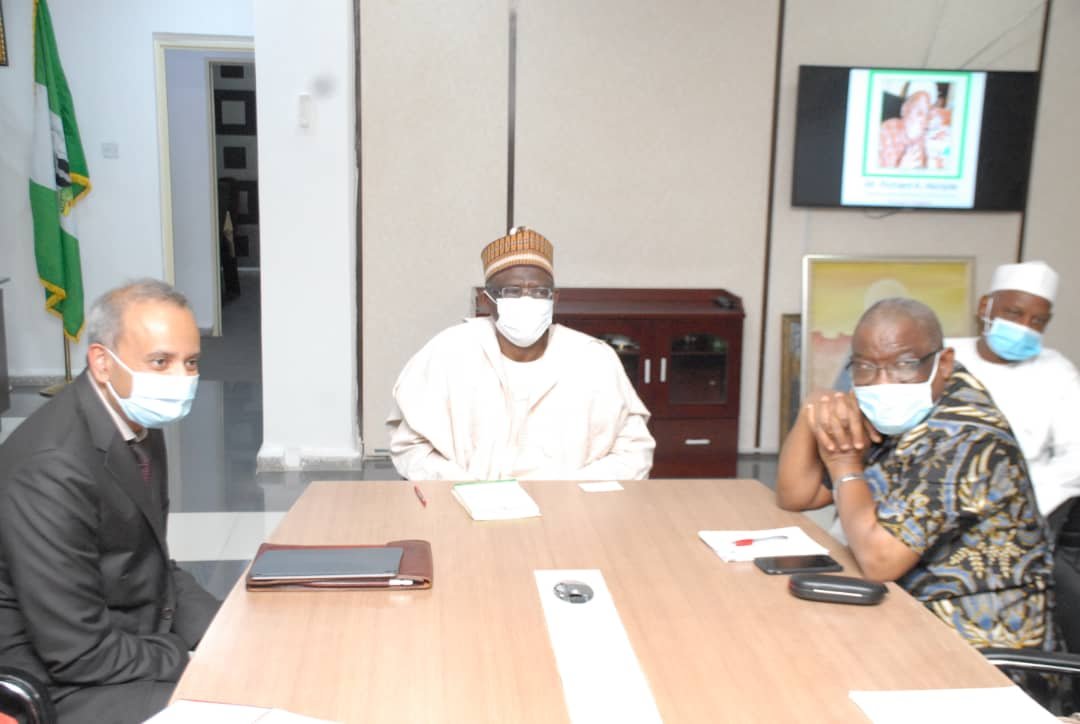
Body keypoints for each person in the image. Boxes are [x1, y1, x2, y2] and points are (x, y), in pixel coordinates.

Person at [0, 280, 220, 723]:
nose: (182, 379)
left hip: (118, 638)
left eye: (191, 362)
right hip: (56, 680)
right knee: (239, 702)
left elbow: (151, 563)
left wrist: (229, 628)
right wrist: (192, 657)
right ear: (102, 362)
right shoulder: (52, 468)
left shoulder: (131, 417)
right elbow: (78, 653)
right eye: (160, 362)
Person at [777, 297, 1053, 649]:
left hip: (978, 642)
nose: (883, 382)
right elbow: (798, 494)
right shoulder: (896, 405)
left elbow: (880, 561)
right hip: (905, 607)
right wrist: (812, 409)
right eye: (865, 366)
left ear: (944, 363)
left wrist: (844, 464)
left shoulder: (965, 437)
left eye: (904, 364)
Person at [387, 226, 655, 481]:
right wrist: (466, 487)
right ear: (486, 300)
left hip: (572, 505)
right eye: (512, 291)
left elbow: (634, 453)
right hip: (466, 502)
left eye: (539, 291)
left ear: (554, 299)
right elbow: (411, 448)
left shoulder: (592, 359)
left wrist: (570, 492)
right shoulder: (449, 353)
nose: (528, 300)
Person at [947, 260, 1080, 525]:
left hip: (1024, 509)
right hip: (940, 500)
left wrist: (1017, 502)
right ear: (985, 307)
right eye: (1014, 314)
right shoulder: (944, 356)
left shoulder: (1058, 372)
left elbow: (1075, 459)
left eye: (1037, 321)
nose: (1024, 327)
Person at [878, 89, 932, 169]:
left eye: (926, 114)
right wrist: (902, 169)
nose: (923, 118)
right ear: (904, 109)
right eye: (919, 111)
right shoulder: (887, 132)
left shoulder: (920, 137)